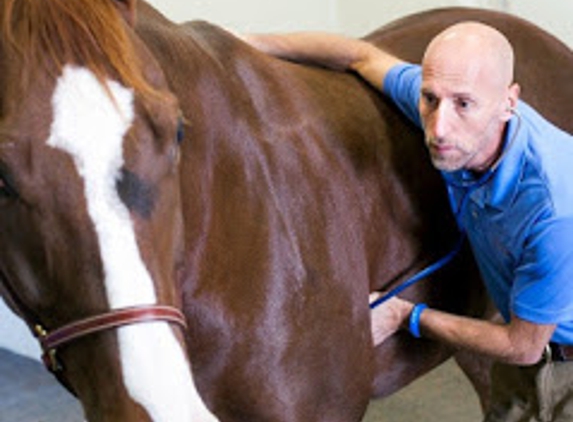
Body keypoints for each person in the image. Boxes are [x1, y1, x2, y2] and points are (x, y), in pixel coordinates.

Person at [243, 22, 573, 422]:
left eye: (463, 105)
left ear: (509, 103)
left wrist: (406, 316)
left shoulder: (553, 209)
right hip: (528, 342)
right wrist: (246, 45)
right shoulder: (450, 101)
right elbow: (359, 54)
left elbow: (523, 345)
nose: (438, 129)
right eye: (430, 99)